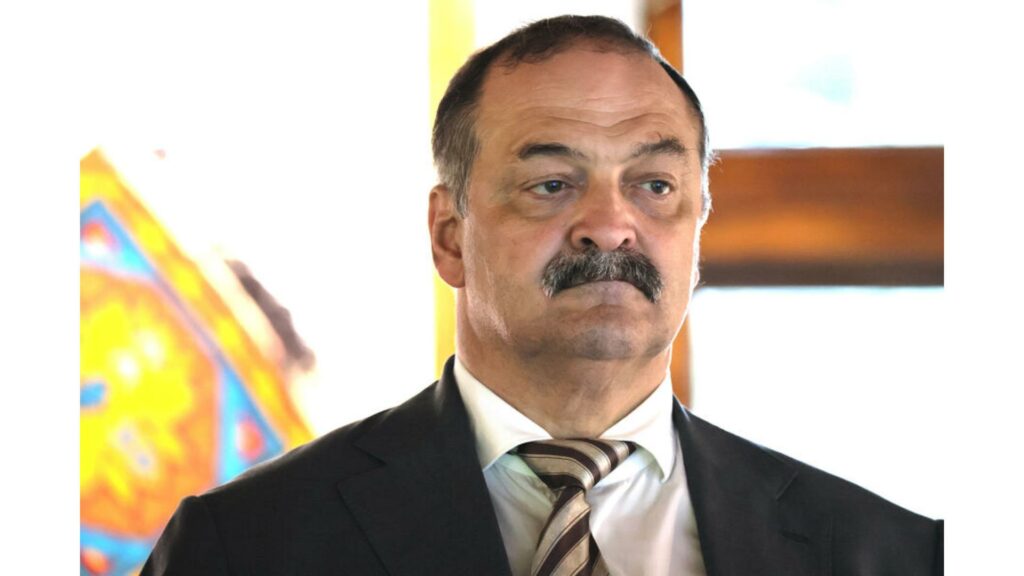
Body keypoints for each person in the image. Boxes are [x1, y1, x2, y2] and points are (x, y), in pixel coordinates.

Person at [142, 15, 942, 576]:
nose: (611, 226)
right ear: (449, 235)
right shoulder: (246, 547)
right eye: (553, 184)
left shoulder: (894, 555)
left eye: (655, 184)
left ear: (697, 227)